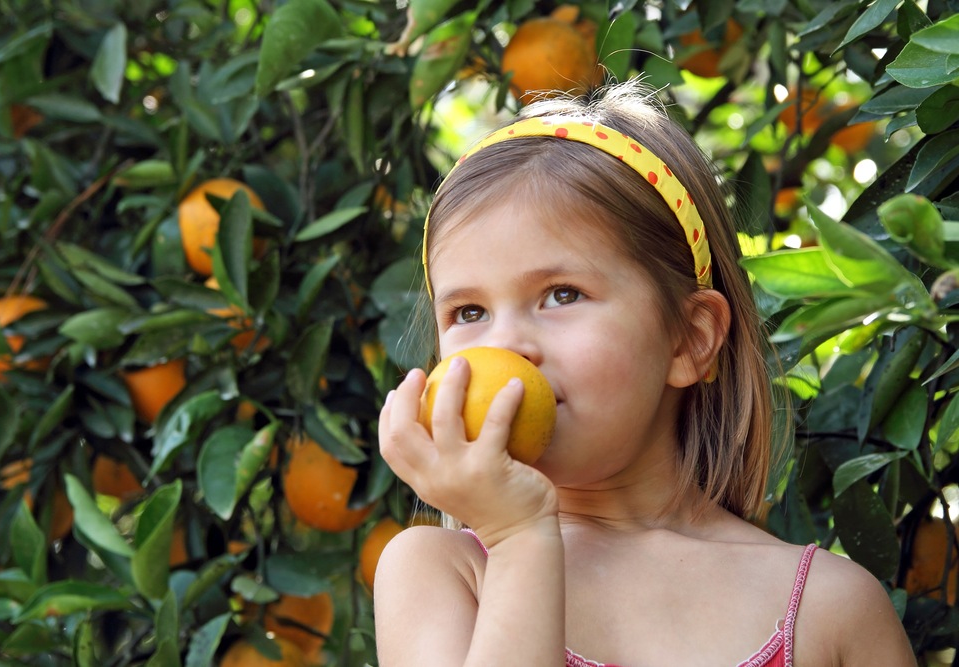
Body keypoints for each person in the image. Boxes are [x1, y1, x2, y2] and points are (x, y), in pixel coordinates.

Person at [374, 80, 916, 667]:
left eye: (561, 294)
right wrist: (519, 539)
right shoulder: (442, 572)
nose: (505, 346)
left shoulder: (830, 610)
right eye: (469, 312)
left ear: (690, 339)